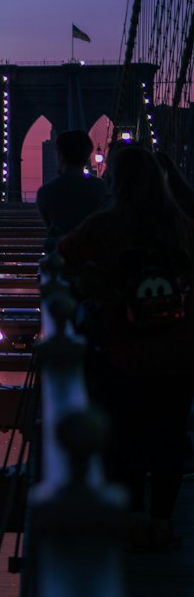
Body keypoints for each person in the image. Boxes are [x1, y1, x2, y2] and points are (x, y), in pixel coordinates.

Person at [59, 143, 194, 549]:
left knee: (126, 438)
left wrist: (93, 283)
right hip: (178, 352)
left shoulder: (105, 225)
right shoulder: (182, 226)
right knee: (170, 440)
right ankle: (163, 523)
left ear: (115, 181)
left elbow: (62, 259)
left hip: (122, 353)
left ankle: (134, 519)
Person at [35, 129, 110, 235]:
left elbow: (50, 227)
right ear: (87, 155)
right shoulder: (102, 188)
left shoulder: (45, 192)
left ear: (60, 156)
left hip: (61, 249)